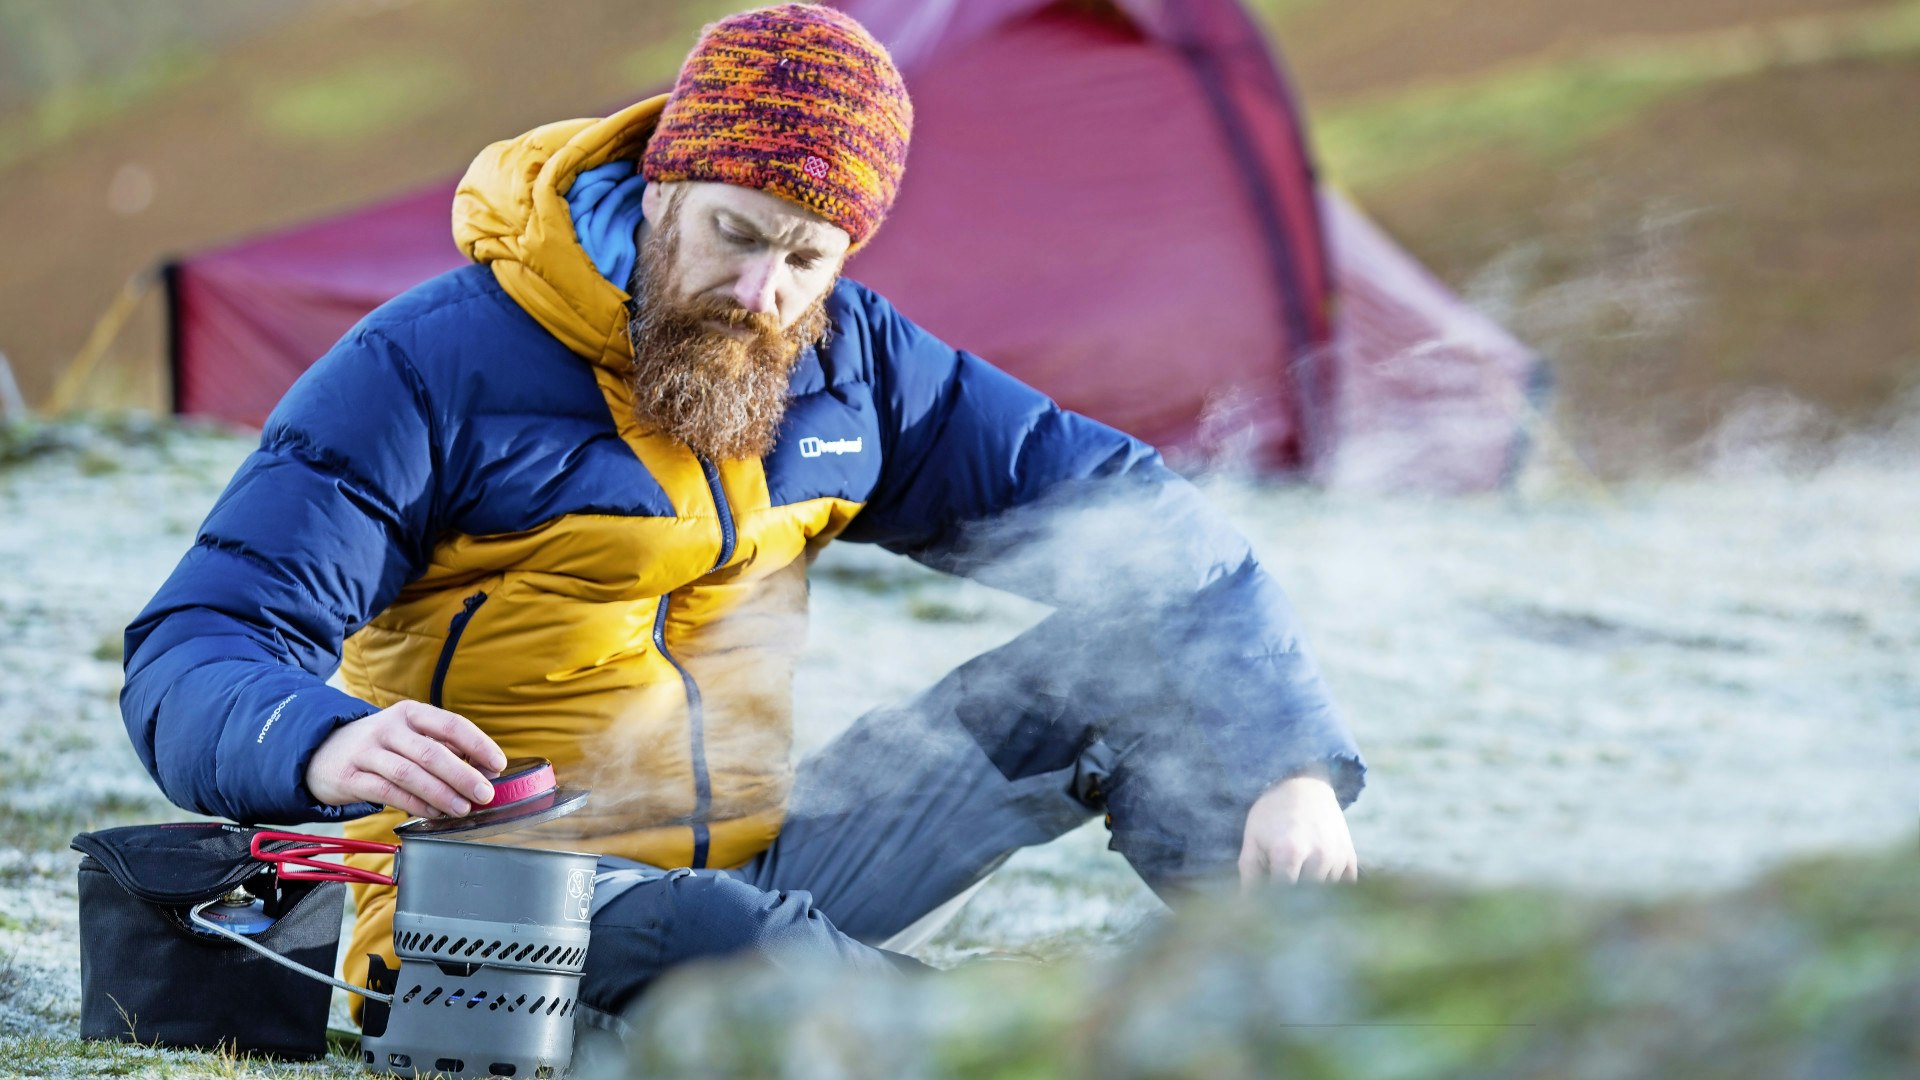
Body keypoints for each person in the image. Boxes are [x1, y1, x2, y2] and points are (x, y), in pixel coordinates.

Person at [121, 3, 1365, 1028]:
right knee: (726, 938)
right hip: (494, 913)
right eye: (735, 233)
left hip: (763, 866)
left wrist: (1282, 763)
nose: (762, 291)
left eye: (810, 257)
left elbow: (1145, 530)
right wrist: (319, 739)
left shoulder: (852, 362)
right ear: (662, 177)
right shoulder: (428, 367)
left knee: (1127, 662)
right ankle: (1020, 1050)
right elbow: (197, 644)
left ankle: (1300, 1020)